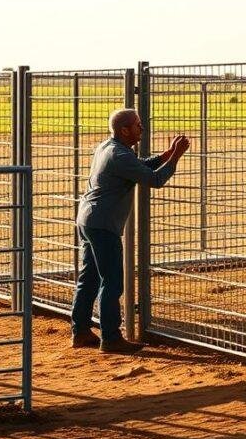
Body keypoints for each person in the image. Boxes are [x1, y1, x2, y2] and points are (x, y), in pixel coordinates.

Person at [71, 108, 190, 353]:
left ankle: (81, 331)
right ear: (124, 130)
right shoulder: (120, 155)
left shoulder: (109, 147)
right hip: (103, 225)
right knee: (112, 282)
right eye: (138, 125)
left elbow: (139, 167)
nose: (142, 129)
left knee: (90, 278)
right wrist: (175, 157)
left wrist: (165, 155)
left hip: (89, 219)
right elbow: (154, 180)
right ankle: (111, 338)